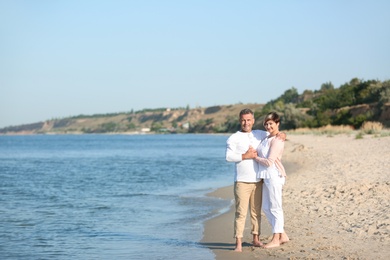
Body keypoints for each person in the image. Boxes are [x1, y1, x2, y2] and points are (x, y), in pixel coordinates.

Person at [225, 109, 286, 252]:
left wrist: (283, 134)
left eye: (249, 120)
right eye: (243, 120)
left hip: (259, 180)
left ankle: (256, 239)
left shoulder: (260, 134)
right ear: (240, 121)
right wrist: (245, 156)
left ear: (253, 120)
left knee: (256, 212)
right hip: (242, 181)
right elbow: (228, 157)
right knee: (241, 213)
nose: (246, 123)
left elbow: (275, 133)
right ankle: (238, 243)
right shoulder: (233, 138)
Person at [255, 112, 289, 248]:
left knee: (276, 207)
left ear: (277, 124)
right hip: (266, 176)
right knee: (266, 207)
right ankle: (283, 234)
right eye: (266, 124)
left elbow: (269, 162)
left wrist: (254, 157)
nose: (268, 126)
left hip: (274, 175)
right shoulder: (266, 138)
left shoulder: (278, 139)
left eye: (271, 124)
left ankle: (276, 239)